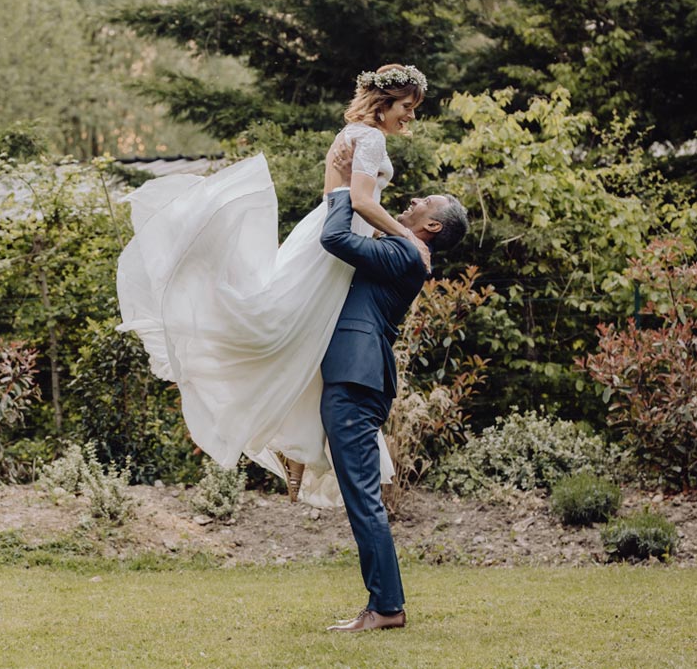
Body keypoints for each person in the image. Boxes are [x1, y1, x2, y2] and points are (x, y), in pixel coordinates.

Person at [115, 64, 429, 507]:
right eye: (406, 107)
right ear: (383, 105)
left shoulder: (351, 134)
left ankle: (296, 448)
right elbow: (360, 200)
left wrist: (373, 232)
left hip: (326, 231)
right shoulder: (372, 138)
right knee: (279, 331)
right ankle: (290, 443)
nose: (410, 117)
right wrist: (407, 235)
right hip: (332, 245)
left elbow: (334, 195)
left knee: (304, 342)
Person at [319, 139, 469, 632]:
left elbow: (336, 239)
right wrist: (338, 178)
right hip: (355, 373)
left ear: (432, 226)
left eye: (423, 202)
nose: (412, 199)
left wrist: (343, 185)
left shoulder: (408, 254)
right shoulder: (402, 247)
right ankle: (384, 603)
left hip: (357, 376)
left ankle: (386, 607)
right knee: (360, 494)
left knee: (362, 496)